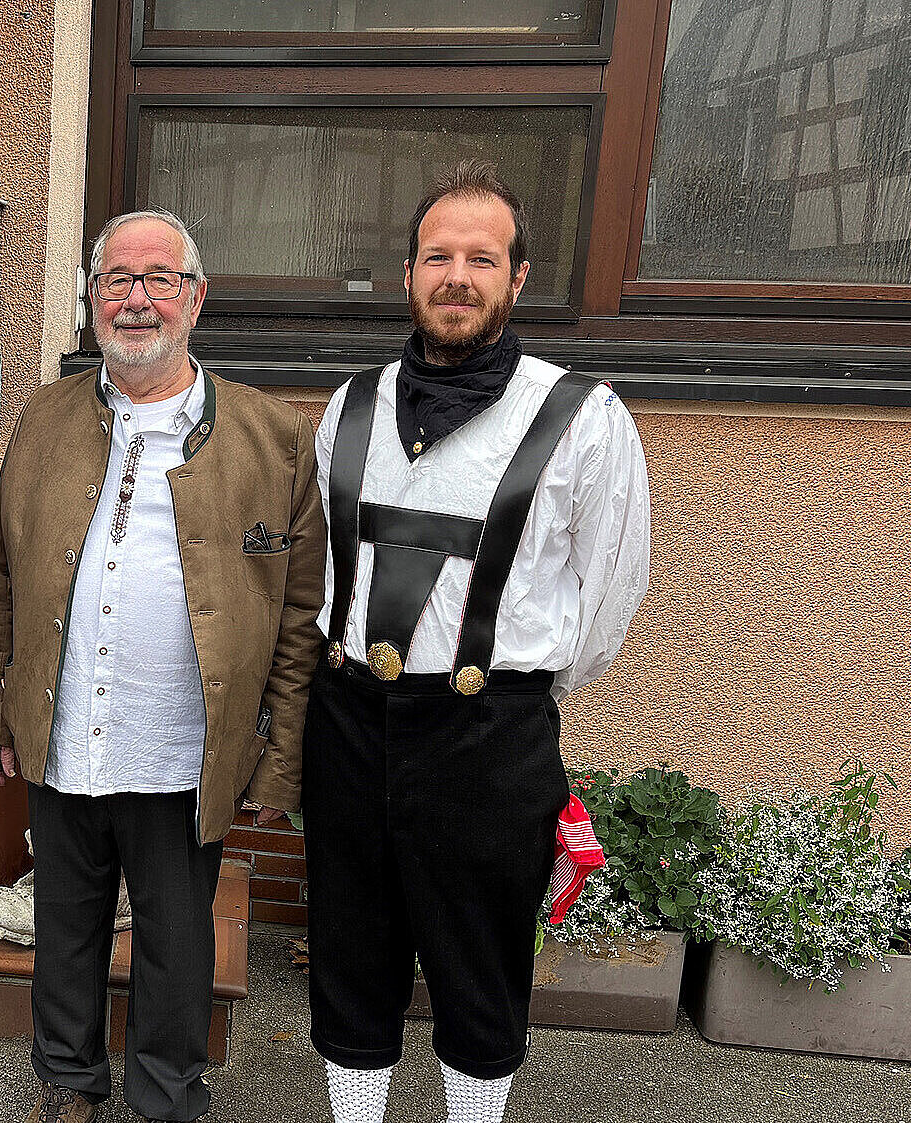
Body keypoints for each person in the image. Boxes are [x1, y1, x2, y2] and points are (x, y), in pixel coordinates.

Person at [302, 161, 651, 1123]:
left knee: (480, 962)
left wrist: (504, 687)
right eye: (438, 256)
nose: (458, 275)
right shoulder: (351, 404)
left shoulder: (584, 418)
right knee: (349, 950)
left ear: (519, 277)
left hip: (487, 735)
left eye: (482, 259)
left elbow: (608, 600)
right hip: (350, 723)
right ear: (410, 274)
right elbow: (326, 568)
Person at [0, 211, 325, 1123]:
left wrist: (279, 758)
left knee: (175, 935)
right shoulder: (45, 417)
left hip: (185, 741)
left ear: (195, 298)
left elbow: (300, 611)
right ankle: (69, 1080)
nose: (136, 298)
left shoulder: (272, 436)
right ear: (90, 302)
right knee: (65, 923)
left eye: (159, 278)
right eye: (116, 280)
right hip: (67, 720)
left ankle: (167, 1093)